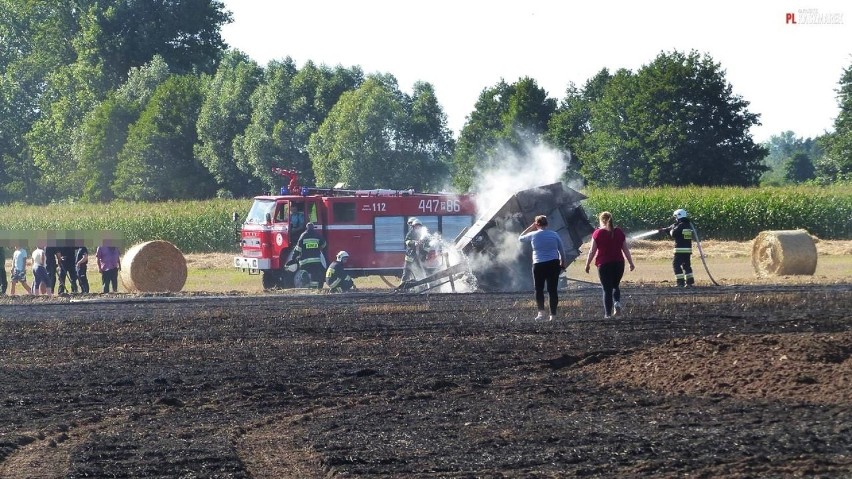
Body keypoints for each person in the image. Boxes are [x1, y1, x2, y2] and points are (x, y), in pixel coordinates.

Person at [584, 211, 636, 318]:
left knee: (607, 289)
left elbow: (592, 251)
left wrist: (587, 264)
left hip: (604, 264)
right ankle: (617, 303)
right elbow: (625, 249)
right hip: (619, 263)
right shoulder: (619, 232)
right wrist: (631, 263)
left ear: (601, 220)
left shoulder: (597, 233)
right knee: (615, 285)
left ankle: (607, 314)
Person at [518, 215, 567, 321]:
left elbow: (520, 238)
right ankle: (553, 315)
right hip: (553, 264)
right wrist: (563, 263)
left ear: (537, 224)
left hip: (538, 264)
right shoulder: (554, 235)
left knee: (539, 289)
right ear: (547, 224)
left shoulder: (533, 234)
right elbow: (562, 250)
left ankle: (541, 313)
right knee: (552, 290)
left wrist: (531, 227)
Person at [659, 208, 694, 287]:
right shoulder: (688, 225)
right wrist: (665, 229)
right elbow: (676, 230)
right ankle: (689, 282)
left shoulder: (680, 225)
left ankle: (680, 282)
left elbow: (674, 233)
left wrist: (670, 230)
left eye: (676, 217)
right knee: (687, 266)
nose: (675, 219)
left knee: (676, 265)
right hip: (688, 250)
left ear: (679, 216)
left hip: (680, 249)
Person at [292, 222, 327, 289]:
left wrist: (294, 257)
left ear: (306, 228)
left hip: (305, 261)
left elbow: (298, 248)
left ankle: (306, 285)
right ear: (313, 227)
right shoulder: (317, 235)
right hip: (316, 260)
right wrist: (319, 248)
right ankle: (314, 289)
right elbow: (324, 244)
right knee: (315, 274)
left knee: (305, 273)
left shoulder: (303, 235)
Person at [401, 218, 428, 283]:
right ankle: (402, 286)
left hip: (420, 257)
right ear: (413, 227)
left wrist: (425, 252)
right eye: (416, 226)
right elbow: (407, 241)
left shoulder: (423, 234)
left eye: (419, 226)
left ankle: (422, 286)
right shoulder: (410, 233)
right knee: (406, 273)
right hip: (410, 257)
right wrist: (414, 243)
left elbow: (427, 245)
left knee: (422, 272)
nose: (417, 228)